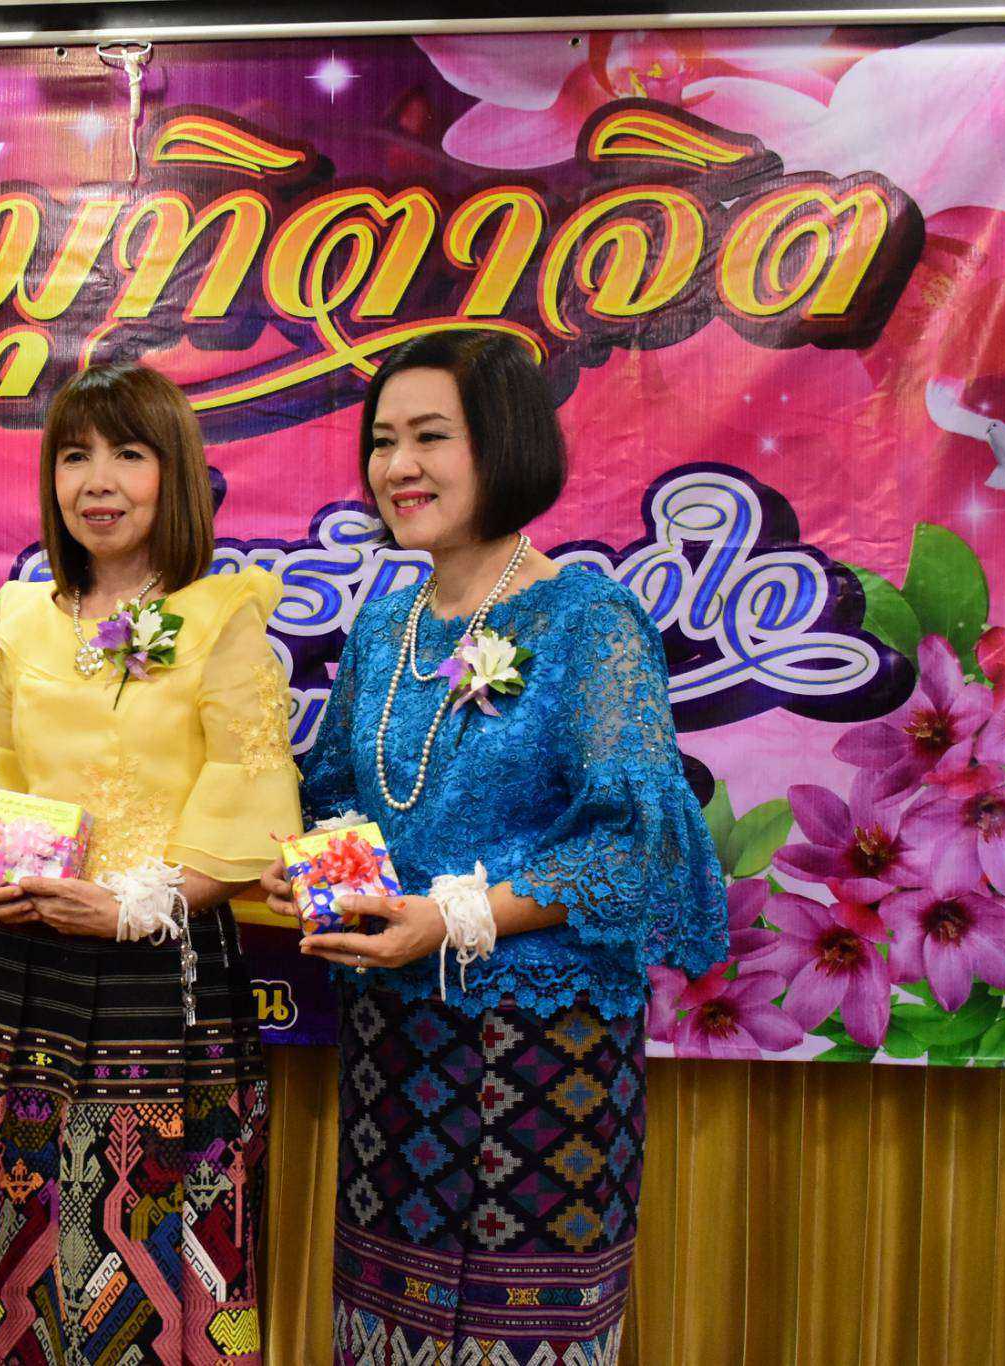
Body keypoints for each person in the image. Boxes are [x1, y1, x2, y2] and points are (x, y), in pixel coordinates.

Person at [261, 330, 726, 1364]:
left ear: (504, 442)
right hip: (393, 1050)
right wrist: (310, 868)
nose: (398, 466)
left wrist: (451, 918)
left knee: (521, 1338)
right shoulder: (385, 627)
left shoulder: (588, 617)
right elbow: (338, 794)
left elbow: (633, 843)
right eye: (383, 440)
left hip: (543, 1053)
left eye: (431, 436)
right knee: (384, 1332)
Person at [0, 363, 298, 1365]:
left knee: (138, 1245)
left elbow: (248, 794)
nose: (96, 480)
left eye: (127, 454)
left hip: (159, 978)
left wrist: (128, 908)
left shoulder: (221, 616)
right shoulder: (28, 619)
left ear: (174, 474)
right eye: (74, 456)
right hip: (17, 971)